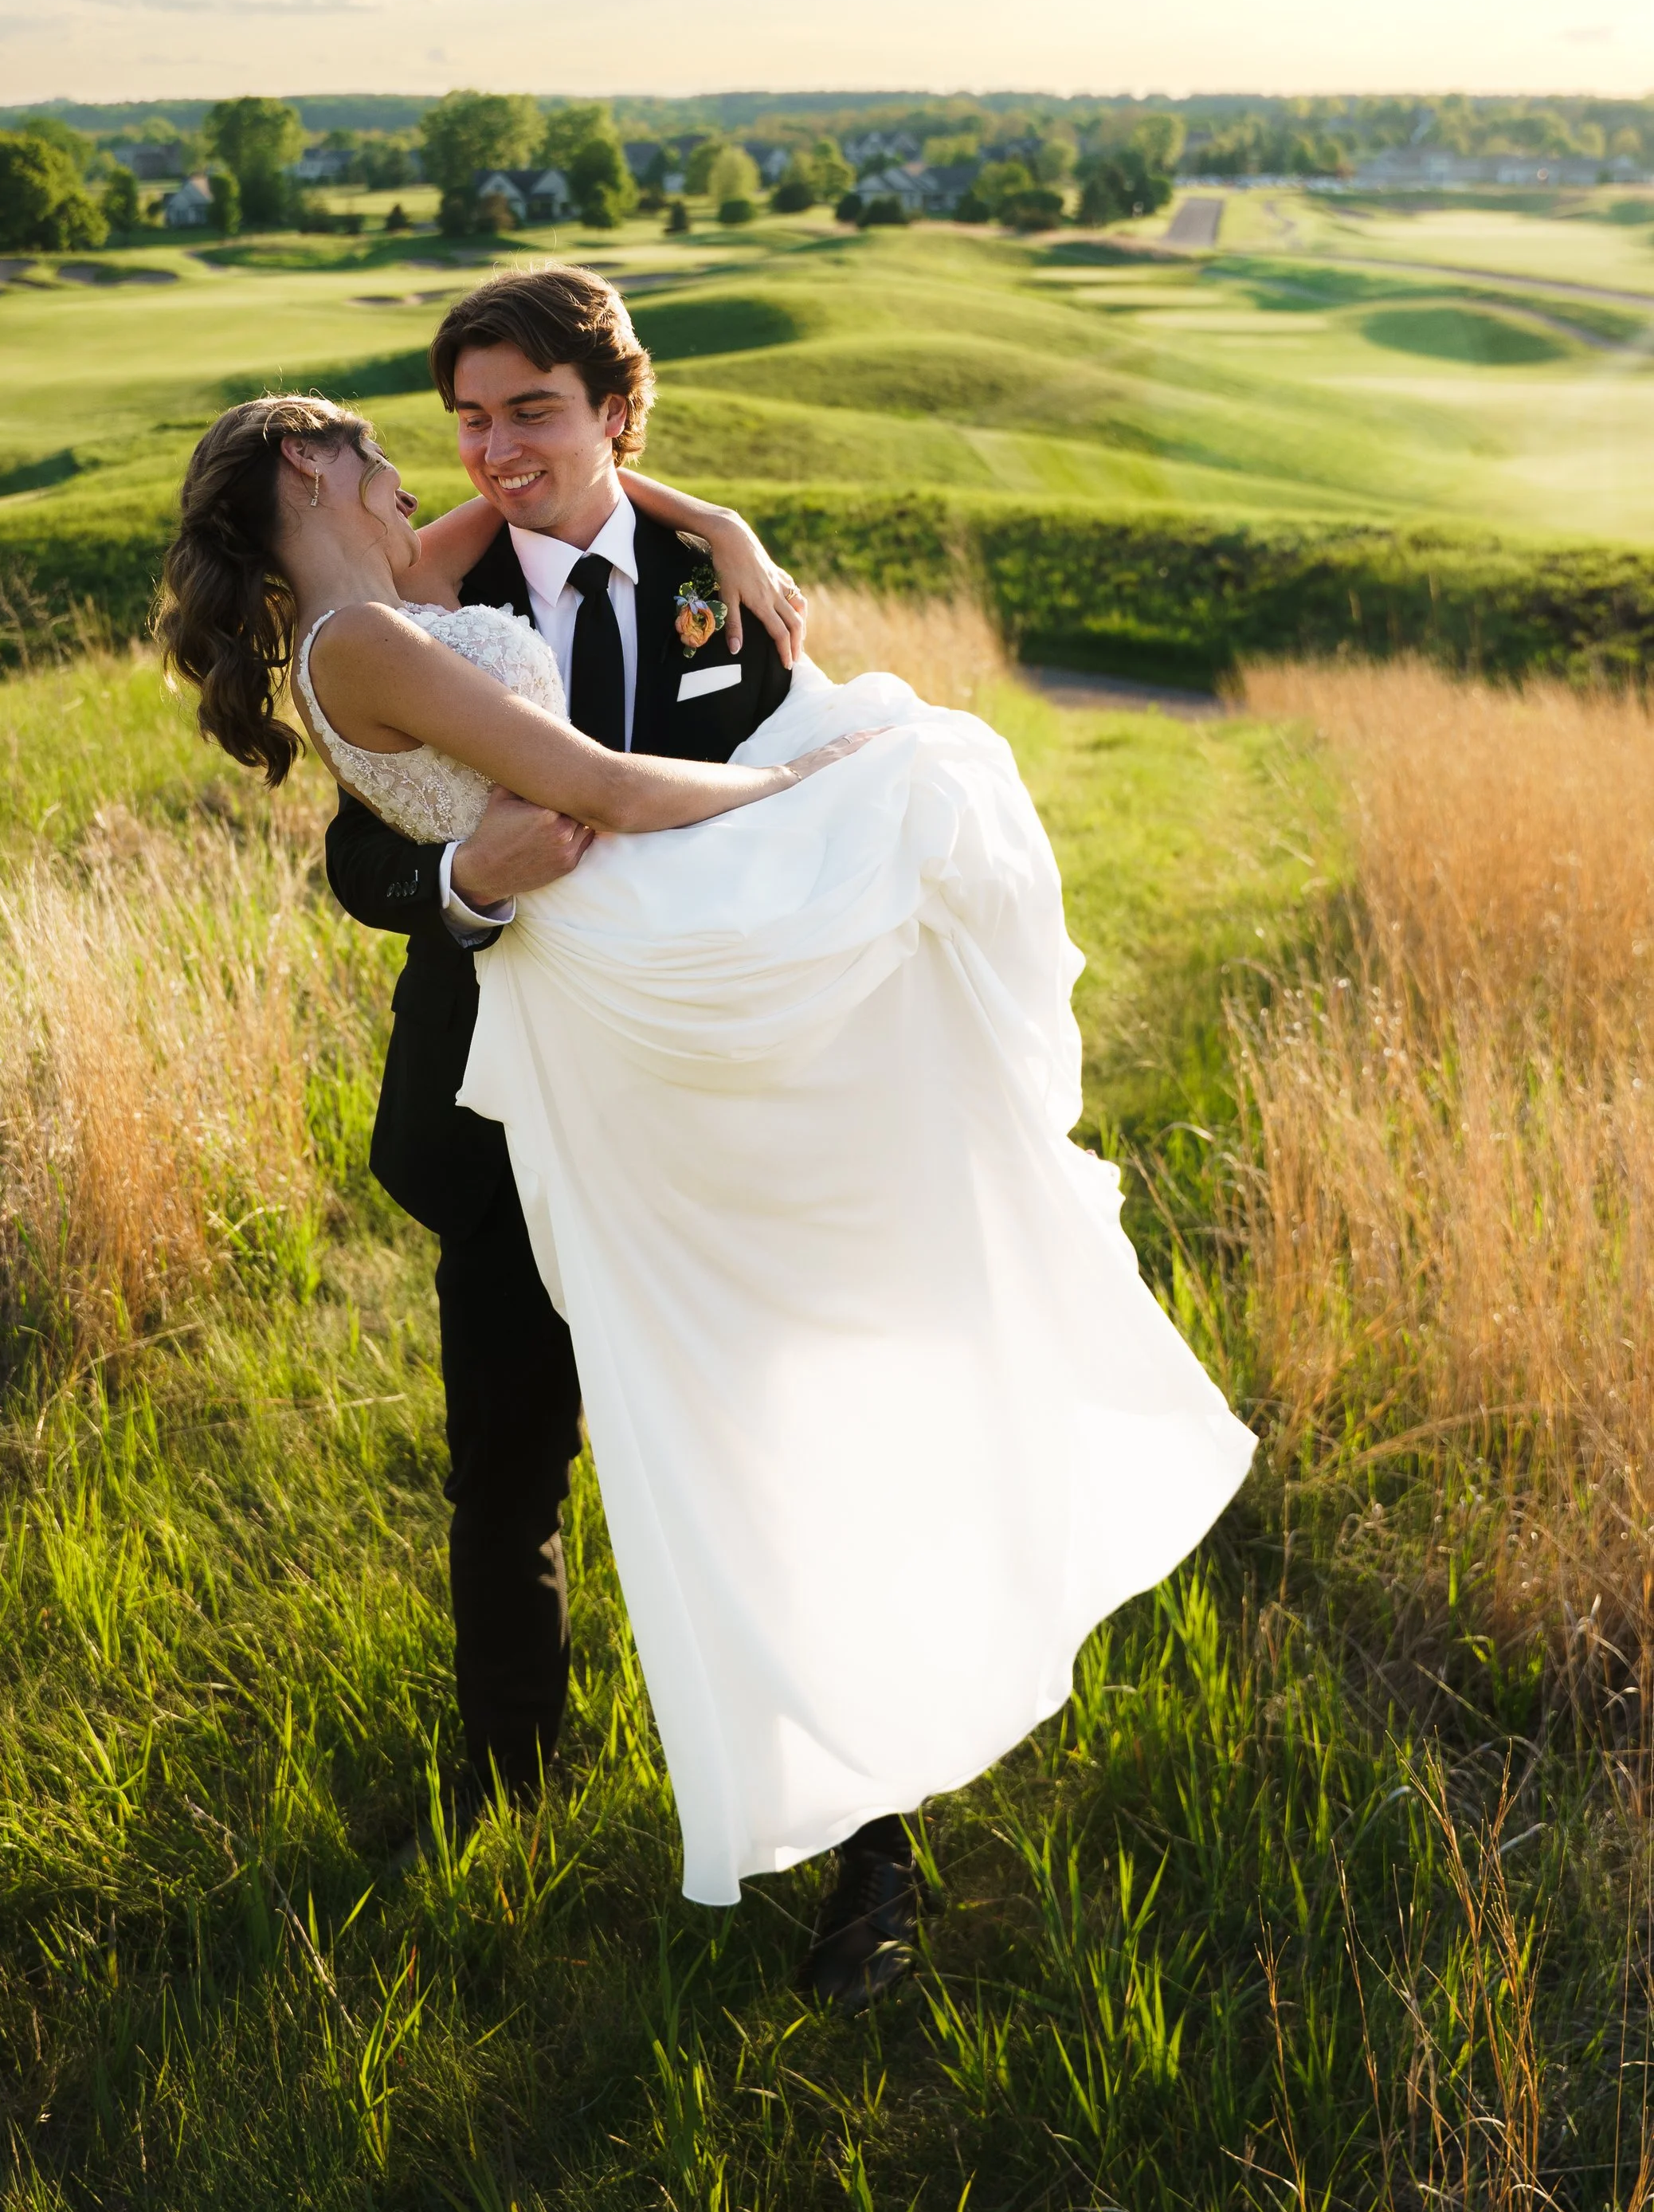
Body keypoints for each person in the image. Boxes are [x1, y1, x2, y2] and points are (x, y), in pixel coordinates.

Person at [156, 267, 1256, 2014]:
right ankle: (506, 1779)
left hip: (716, 1108)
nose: (492, 447)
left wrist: (712, 518)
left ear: (612, 413)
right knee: (501, 1476)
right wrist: (458, 878)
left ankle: (864, 1850)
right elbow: (365, 851)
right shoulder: (412, 582)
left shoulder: (717, 593)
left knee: (786, 1467)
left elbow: (778, 864)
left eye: (531, 410)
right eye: (466, 417)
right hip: (499, 1106)